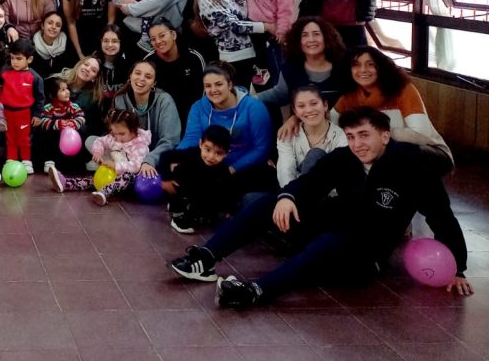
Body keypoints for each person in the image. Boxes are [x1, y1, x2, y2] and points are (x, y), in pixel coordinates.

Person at [169, 107, 471, 308]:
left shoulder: (413, 168)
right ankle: (205, 258)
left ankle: (256, 291)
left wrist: (459, 266)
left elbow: (442, 216)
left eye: (364, 135)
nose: (357, 144)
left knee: (332, 241)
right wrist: (288, 197)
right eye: (351, 136)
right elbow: (309, 183)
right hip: (330, 227)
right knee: (267, 203)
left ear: (385, 135)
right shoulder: (345, 158)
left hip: (363, 253)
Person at [178, 62, 274, 206]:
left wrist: (231, 169)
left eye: (218, 84)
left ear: (230, 85)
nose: (213, 90)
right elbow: (191, 138)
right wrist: (176, 159)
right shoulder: (198, 107)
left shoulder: (254, 107)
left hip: (244, 167)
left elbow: (262, 149)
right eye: (208, 86)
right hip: (212, 162)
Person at [334, 46, 450, 157]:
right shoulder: (349, 95)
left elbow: (422, 134)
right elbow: (331, 126)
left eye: (371, 64)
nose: (363, 70)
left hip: (428, 150)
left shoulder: (403, 89)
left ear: (381, 68)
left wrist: (377, 134)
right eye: (356, 65)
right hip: (377, 151)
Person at [194, 0, 275, 89]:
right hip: (234, 60)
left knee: (268, 100)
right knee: (240, 100)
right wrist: (266, 26)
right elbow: (233, 24)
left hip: (258, 52)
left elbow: (262, 4)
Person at [49, 108, 152, 206]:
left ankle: (105, 193)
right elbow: (100, 141)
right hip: (111, 176)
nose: (118, 138)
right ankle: (66, 183)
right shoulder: (114, 138)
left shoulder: (139, 145)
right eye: (115, 134)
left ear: (133, 130)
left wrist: (115, 165)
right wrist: (98, 152)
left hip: (131, 184)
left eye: (122, 134)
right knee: (92, 180)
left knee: (128, 176)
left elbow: (137, 166)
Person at [259, 17, 348, 126]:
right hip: (302, 129)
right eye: (304, 35)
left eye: (316, 34)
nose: (311, 39)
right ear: (298, 41)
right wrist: (243, 99)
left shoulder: (343, 67)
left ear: (326, 37)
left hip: (341, 129)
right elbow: (280, 95)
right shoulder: (291, 67)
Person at [100, 60, 181, 175]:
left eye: (148, 77)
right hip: (127, 155)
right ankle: (124, 171)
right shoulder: (120, 99)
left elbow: (170, 140)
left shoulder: (165, 101)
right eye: (137, 73)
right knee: (93, 141)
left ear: (154, 83)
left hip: (155, 157)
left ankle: (126, 173)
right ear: (130, 76)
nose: (141, 78)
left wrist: (149, 160)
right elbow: (116, 134)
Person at [0, 38, 45, 174]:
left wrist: (37, 115)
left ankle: (26, 161)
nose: (15, 62)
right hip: (7, 112)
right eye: (12, 58)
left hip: (24, 113)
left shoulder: (35, 78)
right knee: (10, 137)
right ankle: (11, 159)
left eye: (19, 59)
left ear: (29, 59)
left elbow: (40, 99)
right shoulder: (5, 73)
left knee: (24, 138)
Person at [161, 125, 233, 234]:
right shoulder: (191, 154)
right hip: (181, 187)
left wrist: (226, 209)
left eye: (218, 153)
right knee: (183, 196)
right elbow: (165, 156)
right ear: (200, 144)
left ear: (227, 153)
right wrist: (166, 179)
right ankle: (178, 213)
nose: (211, 157)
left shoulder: (223, 169)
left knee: (213, 201)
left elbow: (226, 189)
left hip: (200, 192)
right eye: (207, 149)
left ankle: (196, 210)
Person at [277, 86, 348, 188]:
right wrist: (290, 196)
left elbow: (340, 175)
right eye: (301, 106)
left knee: (315, 155)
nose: (309, 110)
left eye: (314, 103)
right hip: (294, 195)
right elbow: (285, 171)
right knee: (251, 199)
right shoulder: (288, 134)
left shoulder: (341, 137)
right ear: (295, 111)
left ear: (325, 105)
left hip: (327, 195)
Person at [144, 18, 205, 128]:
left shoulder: (193, 58)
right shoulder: (148, 63)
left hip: (192, 118)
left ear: (173, 35)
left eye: (162, 35)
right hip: (162, 121)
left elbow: (203, 94)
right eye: (153, 39)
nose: (158, 41)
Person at [247, 0, 297, 84]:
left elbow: (285, 14)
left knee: (273, 60)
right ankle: (260, 71)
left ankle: (276, 83)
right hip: (254, 26)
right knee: (255, 52)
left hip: (271, 31)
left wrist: (281, 32)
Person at [36, 77, 87, 179]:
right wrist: (57, 124)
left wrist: (73, 123)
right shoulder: (48, 107)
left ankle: (72, 162)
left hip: (69, 138)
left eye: (67, 88)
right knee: (47, 134)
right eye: (62, 90)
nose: (67, 92)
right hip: (55, 137)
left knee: (82, 131)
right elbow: (43, 121)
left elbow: (81, 117)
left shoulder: (72, 106)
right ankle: (49, 161)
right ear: (53, 94)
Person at [31, 10, 79, 80]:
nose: (54, 27)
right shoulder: (32, 46)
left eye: (58, 25)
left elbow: (71, 70)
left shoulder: (68, 45)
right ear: (42, 26)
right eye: (50, 23)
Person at [92, 24, 130, 104]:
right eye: (106, 41)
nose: (110, 45)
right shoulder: (93, 64)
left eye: (114, 41)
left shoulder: (129, 64)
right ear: (101, 42)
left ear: (120, 43)